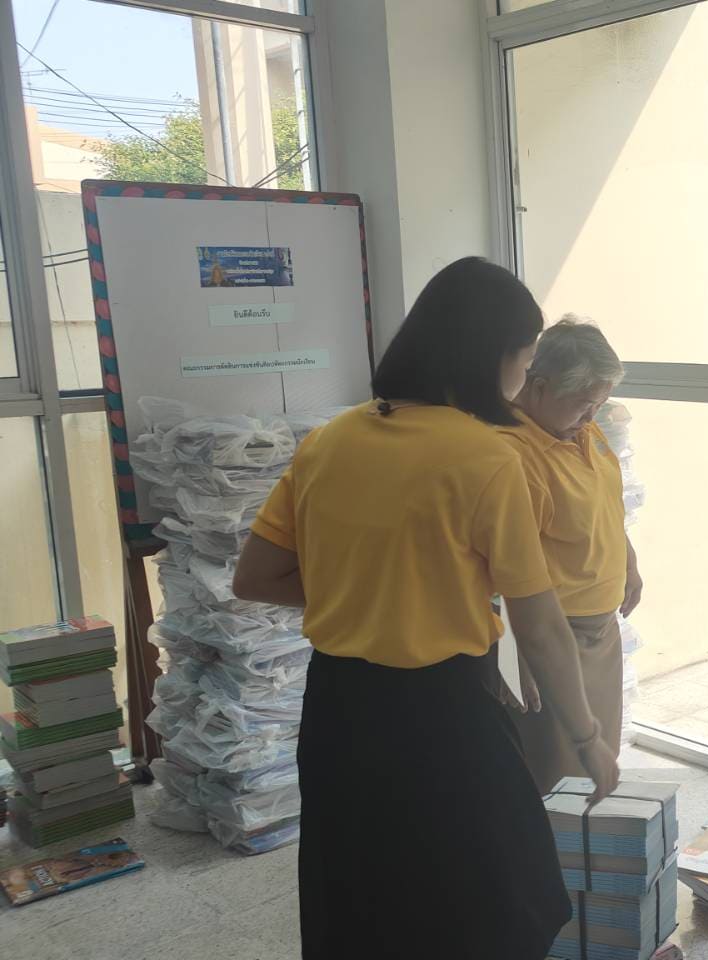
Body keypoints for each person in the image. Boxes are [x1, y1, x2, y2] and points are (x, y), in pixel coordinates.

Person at [232, 257, 619, 960]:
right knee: (505, 900)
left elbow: (256, 577)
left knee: (363, 896)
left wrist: (368, 590)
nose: (523, 377)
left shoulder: (329, 440)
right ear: (491, 356)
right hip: (441, 713)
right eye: (524, 358)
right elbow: (537, 623)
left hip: (338, 710)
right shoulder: (485, 457)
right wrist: (589, 738)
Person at [499, 317, 643, 793]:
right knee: (558, 777)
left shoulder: (583, 430)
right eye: (584, 403)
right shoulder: (512, 455)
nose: (592, 415)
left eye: (598, 404)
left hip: (601, 626)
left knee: (599, 759)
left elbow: (607, 504)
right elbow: (501, 566)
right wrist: (516, 653)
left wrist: (628, 562)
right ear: (538, 387)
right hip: (552, 634)